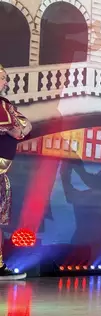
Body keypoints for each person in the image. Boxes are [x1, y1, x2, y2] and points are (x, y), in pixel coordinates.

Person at [0, 64, 32, 280]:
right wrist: (10, 129)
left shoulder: (6, 105)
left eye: (5, 78)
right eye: (2, 77)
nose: (5, 81)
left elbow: (25, 126)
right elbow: (11, 127)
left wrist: (16, 130)